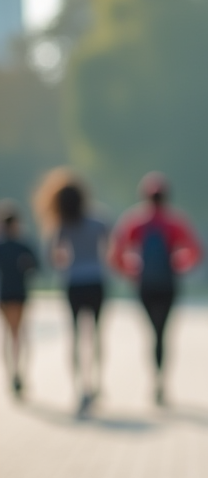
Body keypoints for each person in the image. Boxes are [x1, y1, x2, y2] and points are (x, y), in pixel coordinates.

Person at [109, 172, 203, 406]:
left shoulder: (134, 221)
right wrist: (178, 265)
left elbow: (116, 255)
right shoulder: (175, 222)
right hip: (168, 284)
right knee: (163, 333)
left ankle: (156, 378)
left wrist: (132, 271)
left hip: (145, 285)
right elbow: (196, 251)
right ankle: (161, 380)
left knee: (153, 332)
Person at [33, 169, 109, 414]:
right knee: (96, 334)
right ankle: (97, 382)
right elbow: (111, 245)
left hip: (73, 282)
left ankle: (80, 387)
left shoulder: (61, 225)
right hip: (96, 280)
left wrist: (65, 264)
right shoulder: (97, 220)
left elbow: (51, 256)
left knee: (75, 335)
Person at [0, 200, 39, 399]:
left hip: (8, 294)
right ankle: (16, 372)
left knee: (11, 334)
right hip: (15, 293)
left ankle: (14, 373)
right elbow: (36, 267)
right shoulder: (22, 245)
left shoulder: (10, 245)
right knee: (17, 334)